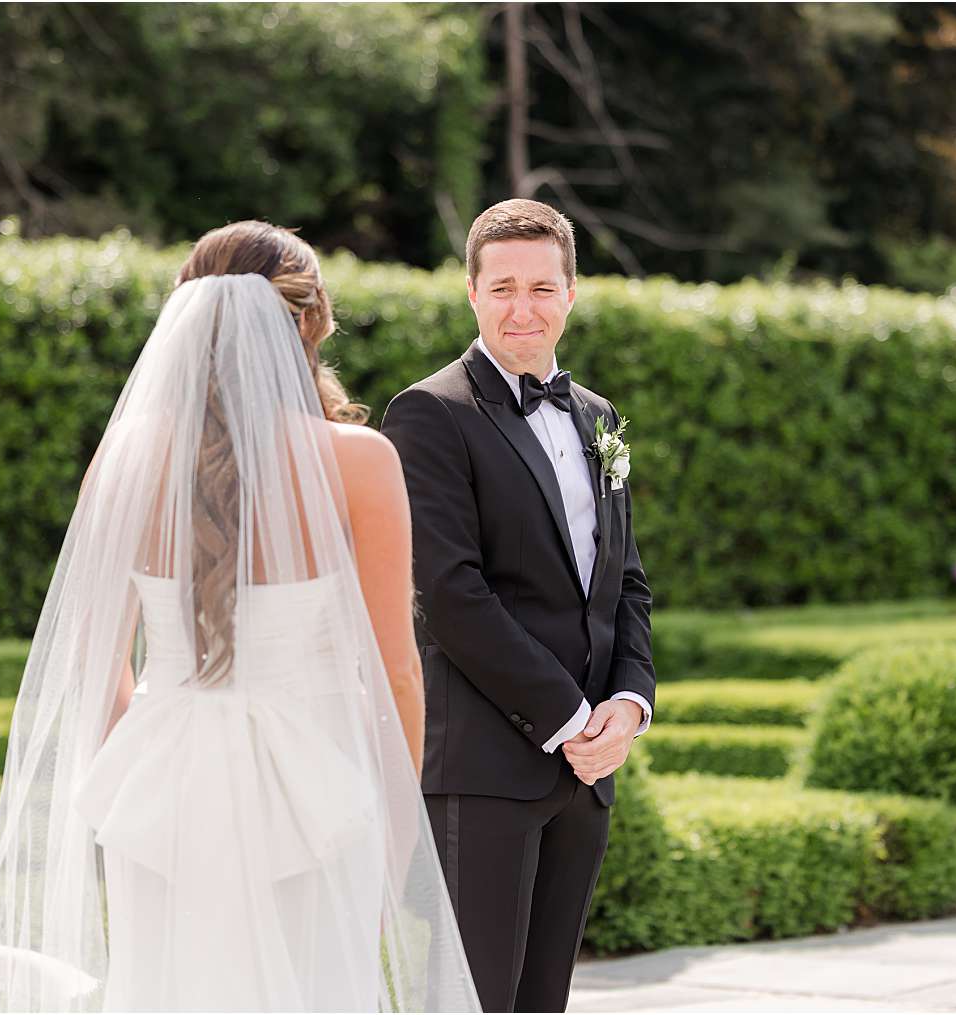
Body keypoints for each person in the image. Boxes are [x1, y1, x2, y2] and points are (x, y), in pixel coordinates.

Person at [0, 222, 480, 1013]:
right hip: (313, 795)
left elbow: (94, 666)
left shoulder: (126, 455)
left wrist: (152, 760)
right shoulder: (360, 462)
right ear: (308, 324)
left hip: (160, 786)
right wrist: (396, 834)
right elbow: (398, 671)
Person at [381, 199, 657, 1013]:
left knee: (544, 1002)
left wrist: (629, 707)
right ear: (472, 295)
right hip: (482, 771)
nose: (522, 308)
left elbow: (627, 583)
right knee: (472, 1002)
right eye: (502, 288)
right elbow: (450, 596)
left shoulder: (598, 416)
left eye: (542, 287)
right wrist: (573, 720)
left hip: (587, 777)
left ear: (571, 294)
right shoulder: (428, 414)